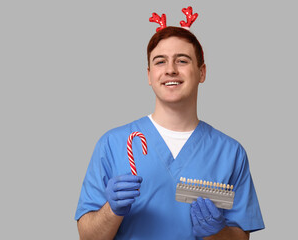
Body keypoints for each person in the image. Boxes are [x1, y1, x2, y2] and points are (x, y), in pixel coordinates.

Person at [75, 25, 265, 239]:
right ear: (149, 75)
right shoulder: (112, 144)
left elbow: (241, 238)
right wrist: (111, 210)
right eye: (160, 61)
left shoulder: (230, 153)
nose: (170, 69)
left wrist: (217, 232)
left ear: (202, 72)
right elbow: (87, 236)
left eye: (182, 60)